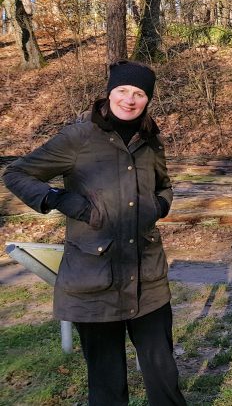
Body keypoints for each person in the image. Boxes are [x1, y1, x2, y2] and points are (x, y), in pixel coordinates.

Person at [2, 60, 186, 406]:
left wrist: (159, 206)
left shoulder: (150, 139)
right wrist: (62, 200)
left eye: (138, 94)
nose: (129, 100)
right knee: (106, 384)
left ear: (147, 100)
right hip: (93, 281)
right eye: (122, 91)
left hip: (147, 278)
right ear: (109, 92)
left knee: (164, 377)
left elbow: (164, 186)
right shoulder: (79, 136)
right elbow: (16, 173)